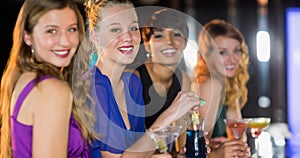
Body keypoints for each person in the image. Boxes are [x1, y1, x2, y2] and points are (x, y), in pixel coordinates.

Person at [83, 0, 200, 157]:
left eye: (133, 28)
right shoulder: (93, 87)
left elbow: (139, 151)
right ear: (95, 38)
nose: (128, 37)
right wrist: (172, 113)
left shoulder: (132, 83)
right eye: (116, 29)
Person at [0, 0, 97, 157]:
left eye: (71, 29)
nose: (65, 41)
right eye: (51, 31)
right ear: (27, 37)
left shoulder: (23, 77)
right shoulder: (52, 89)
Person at [133, 8, 200, 156]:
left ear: (185, 42)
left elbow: (182, 142)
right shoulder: (134, 78)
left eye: (176, 34)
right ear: (147, 44)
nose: (169, 41)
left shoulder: (183, 79)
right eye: (159, 36)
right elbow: (134, 143)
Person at [192, 19, 250, 158]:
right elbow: (197, 148)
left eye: (237, 50)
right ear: (207, 56)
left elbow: (239, 139)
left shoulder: (229, 84)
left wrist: (224, 145)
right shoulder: (212, 85)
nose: (233, 59)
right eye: (223, 53)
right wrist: (216, 151)